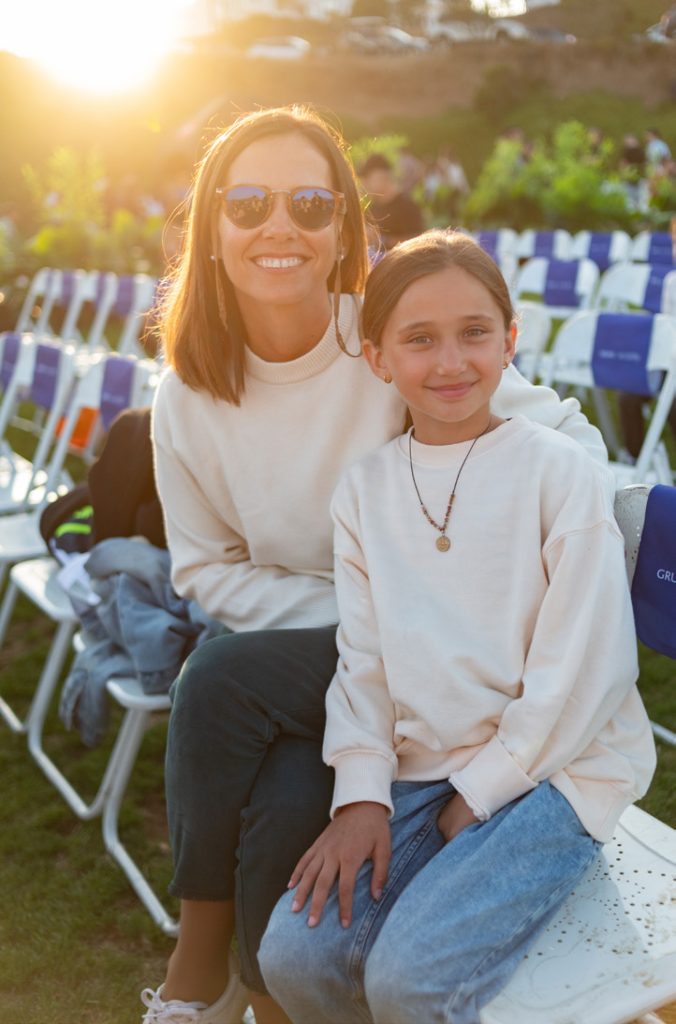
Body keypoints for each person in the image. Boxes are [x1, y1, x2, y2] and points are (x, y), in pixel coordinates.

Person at [145, 104, 610, 1024]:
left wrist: (512, 538)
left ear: (345, 230)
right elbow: (203, 569)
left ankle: (215, 968)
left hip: (426, 645)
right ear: (211, 229)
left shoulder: (391, 334)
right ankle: (251, 983)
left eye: (311, 203)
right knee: (263, 751)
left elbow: (562, 433)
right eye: (249, 204)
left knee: (236, 706)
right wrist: (358, 607)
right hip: (336, 643)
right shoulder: (187, 391)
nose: (280, 225)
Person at [258, 231, 657, 1024]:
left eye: (475, 333)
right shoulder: (365, 489)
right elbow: (364, 662)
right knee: (294, 961)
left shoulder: (561, 471)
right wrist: (361, 793)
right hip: (423, 767)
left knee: (409, 982)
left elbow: (587, 667)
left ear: (510, 340)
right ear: (378, 358)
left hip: (558, 766)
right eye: (419, 339)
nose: (450, 362)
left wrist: (482, 789)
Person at [359, 152, 425, 250]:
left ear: (382, 177)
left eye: (367, 180)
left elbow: (420, 241)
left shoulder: (407, 206)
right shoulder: (372, 208)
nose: (364, 185)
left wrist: (384, 241)